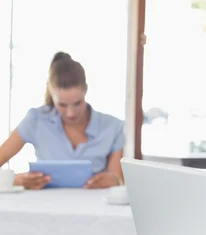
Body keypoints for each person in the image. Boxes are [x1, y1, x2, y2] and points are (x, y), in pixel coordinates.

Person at [0, 52, 125, 189]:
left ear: (86, 91)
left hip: (94, 208)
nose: (71, 113)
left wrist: (114, 180)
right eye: (62, 105)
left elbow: (116, 181)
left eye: (77, 103)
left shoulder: (113, 127)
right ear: (52, 95)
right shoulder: (36, 120)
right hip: (43, 207)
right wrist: (17, 180)